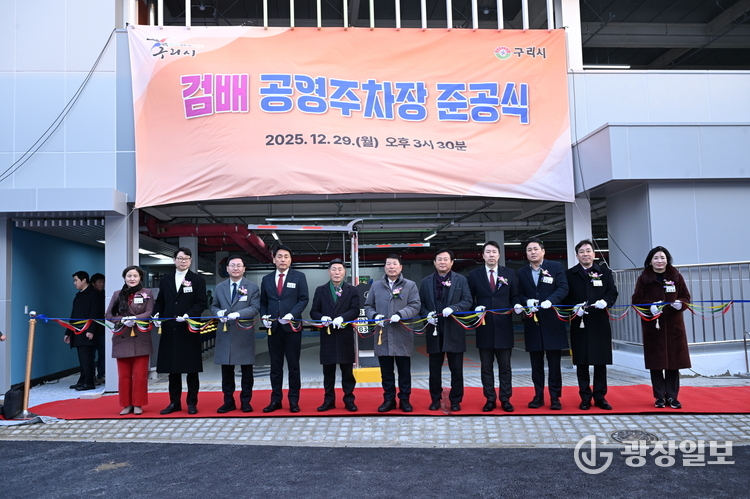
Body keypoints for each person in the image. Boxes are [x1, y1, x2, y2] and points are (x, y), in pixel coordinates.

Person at [631, 246, 691, 409]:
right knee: (656, 363)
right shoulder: (643, 278)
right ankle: (659, 397)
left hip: (673, 325)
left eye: (662, 258)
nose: (659, 261)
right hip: (653, 326)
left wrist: (681, 303)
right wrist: (649, 306)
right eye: (656, 258)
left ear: (667, 260)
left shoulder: (676, 276)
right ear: (650, 261)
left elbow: (686, 297)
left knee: (674, 363)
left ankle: (672, 396)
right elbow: (636, 300)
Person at [153, 247, 207, 415]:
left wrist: (189, 315)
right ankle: (174, 402)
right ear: (174, 260)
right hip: (170, 329)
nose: (183, 261)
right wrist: (156, 314)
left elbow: (201, 303)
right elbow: (160, 301)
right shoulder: (166, 280)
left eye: (187, 258)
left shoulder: (197, 280)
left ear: (190, 261)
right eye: (180, 258)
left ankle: (192, 403)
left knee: (192, 369)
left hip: (189, 329)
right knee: (173, 369)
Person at [468, 241, 520, 413]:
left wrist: (517, 305)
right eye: (488, 252)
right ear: (483, 255)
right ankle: (490, 399)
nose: (491, 255)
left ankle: (505, 399)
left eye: (494, 252)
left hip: (504, 326)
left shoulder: (509, 273)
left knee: (505, 367)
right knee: (486, 367)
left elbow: (514, 295)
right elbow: (469, 298)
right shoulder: (474, 275)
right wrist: (475, 308)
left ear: (499, 255)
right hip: (484, 327)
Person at [565, 240, 618, 411]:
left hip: (599, 321)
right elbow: (565, 296)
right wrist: (574, 307)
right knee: (581, 361)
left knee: (600, 361)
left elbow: (612, 292)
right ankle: (585, 397)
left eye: (588, 251)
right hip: (579, 322)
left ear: (594, 254)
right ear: (577, 255)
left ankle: (600, 396)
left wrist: (606, 301)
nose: (585, 254)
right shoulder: (570, 274)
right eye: (581, 251)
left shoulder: (604, 272)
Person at [516, 238, 569, 410]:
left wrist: (550, 301)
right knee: (536, 364)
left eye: (535, 249)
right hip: (533, 323)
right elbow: (518, 293)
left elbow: (563, 288)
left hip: (553, 322)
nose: (533, 252)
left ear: (543, 251)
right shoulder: (522, 272)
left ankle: (555, 397)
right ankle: (538, 396)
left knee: (554, 364)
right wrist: (526, 301)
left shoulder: (555, 267)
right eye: (529, 250)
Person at [364, 254, 421, 413]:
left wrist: (401, 314)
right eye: (388, 264)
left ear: (400, 267)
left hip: (402, 334)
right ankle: (389, 400)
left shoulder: (410, 285)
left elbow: (415, 305)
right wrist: (374, 316)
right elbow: (368, 306)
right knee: (386, 371)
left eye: (395, 264)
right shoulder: (376, 286)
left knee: (404, 371)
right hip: (382, 334)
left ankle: (405, 400)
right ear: (384, 267)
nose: (391, 267)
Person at [419, 249, 472, 412]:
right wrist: (426, 315)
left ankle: (456, 399)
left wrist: (454, 308)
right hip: (434, 329)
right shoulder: (426, 282)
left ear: (452, 262)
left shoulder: (461, 280)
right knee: (434, 369)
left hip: (454, 328)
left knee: (456, 368)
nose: (442, 262)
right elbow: (420, 304)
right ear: (434, 263)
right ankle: (435, 399)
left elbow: (468, 300)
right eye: (439, 259)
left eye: (445, 259)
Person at [260, 245, 309, 413]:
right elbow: (264, 302)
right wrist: (264, 316)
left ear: (290, 259)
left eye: (286, 256)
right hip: (273, 329)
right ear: (274, 259)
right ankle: (276, 400)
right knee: (275, 366)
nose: (283, 259)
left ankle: (294, 400)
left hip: (292, 328)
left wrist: (292, 314)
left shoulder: (299, 277)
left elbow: (303, 299)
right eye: (279, 256)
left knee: (293, 366)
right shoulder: (267, 279)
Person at [209, 255, 260, 414]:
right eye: (232, 265)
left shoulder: (252, 287)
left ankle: (246, 401)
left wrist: (238, 314)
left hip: (243, 332)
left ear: (244, 268)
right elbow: (213, 306)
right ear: (227, 268)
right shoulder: (220, 287)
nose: (235, 268)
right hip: (225, 333)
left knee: (246, 371)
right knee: (226, 371)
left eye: (239, 265)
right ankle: (228, 401)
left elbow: (255, 307)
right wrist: (218, 313)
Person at [309, 259, 360, 412]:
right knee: (328, 372)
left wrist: (343, 318)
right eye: (334, 269)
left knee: (347, 372)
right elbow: (314, 311)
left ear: (344, 272)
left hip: (345, 335)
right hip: (328, 336)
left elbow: (355, 310)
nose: (337, 272)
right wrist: (321, 317)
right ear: (328, 272)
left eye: (340, 269)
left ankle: (349, 400)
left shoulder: (352, 290)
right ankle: (329, 400)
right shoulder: (321, 290)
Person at [105, 266, 154, 415]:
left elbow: (149, 312)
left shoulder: (147, 293)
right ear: (124, 278)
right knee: (124, 375)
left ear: (140, 278)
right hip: (122, 337)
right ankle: (126, 404)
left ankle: (138, 404)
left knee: (140, 375)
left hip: (141, 337)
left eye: (135, 276)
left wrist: (135, 318)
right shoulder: (117, 294)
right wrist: (122, 320)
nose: (132, 279)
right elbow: (108, 315)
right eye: (129, 276)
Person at [65, 271, 104, 391]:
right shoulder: (79, 296)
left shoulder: (94, 294)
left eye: (76, 280)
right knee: (83, 358)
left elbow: (95, 313)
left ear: (84, 280)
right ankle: (82, 380)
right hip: (77, 331)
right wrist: (68, 332)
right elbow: (73, 315)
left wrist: (91, 330)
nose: (74, 283)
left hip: (88, 331)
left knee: (87, 358)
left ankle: (89, 382)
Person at [90, 272, 106, 386]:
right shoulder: (90, 296)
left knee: (103, 354)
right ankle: (91, 376)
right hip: (91, 330)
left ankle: (101, 375)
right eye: (99, 282)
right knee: (90, 355)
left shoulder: (106, 295)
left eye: (103, 282)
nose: (102, 284)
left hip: (103, 329)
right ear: (93, 283)